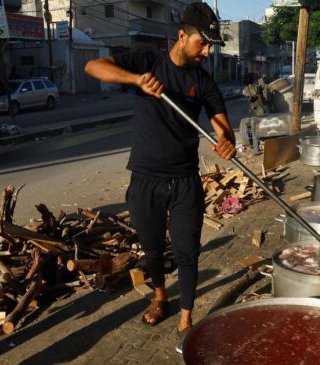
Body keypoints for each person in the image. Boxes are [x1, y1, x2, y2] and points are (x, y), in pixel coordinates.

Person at [84, 3, 235, 334]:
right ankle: (159, 297)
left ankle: (186, 317)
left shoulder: (203, 80)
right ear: (182, 36)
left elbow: (221, 122)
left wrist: (225, 139)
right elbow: (94, 66)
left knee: (187, 251)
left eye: (211, 45)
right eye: (203, 43)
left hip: (184, 181)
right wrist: (136, 80)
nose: (207, 52)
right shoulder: (148, 63)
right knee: (152, 249)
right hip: (146, 178)